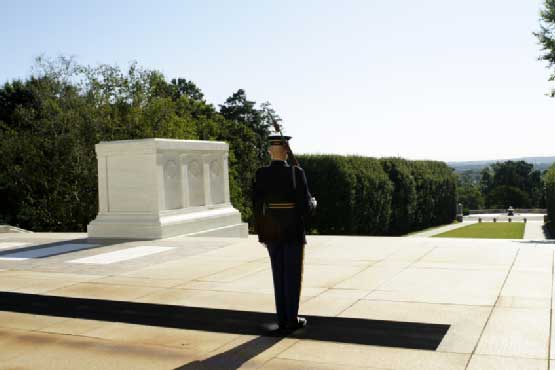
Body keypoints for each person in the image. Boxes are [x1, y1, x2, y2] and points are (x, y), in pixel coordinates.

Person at [253, 134, 316, 331]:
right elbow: (305, 208)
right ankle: (291, 319)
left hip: (271, 231)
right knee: (292, 275)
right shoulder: (297, 173)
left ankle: (282, 318)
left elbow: (257, 206)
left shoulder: (261, 174)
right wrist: (313, 203)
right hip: (292, 231)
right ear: (287, 152)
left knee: (278, 275)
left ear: (270, 151)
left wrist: (262, 232)